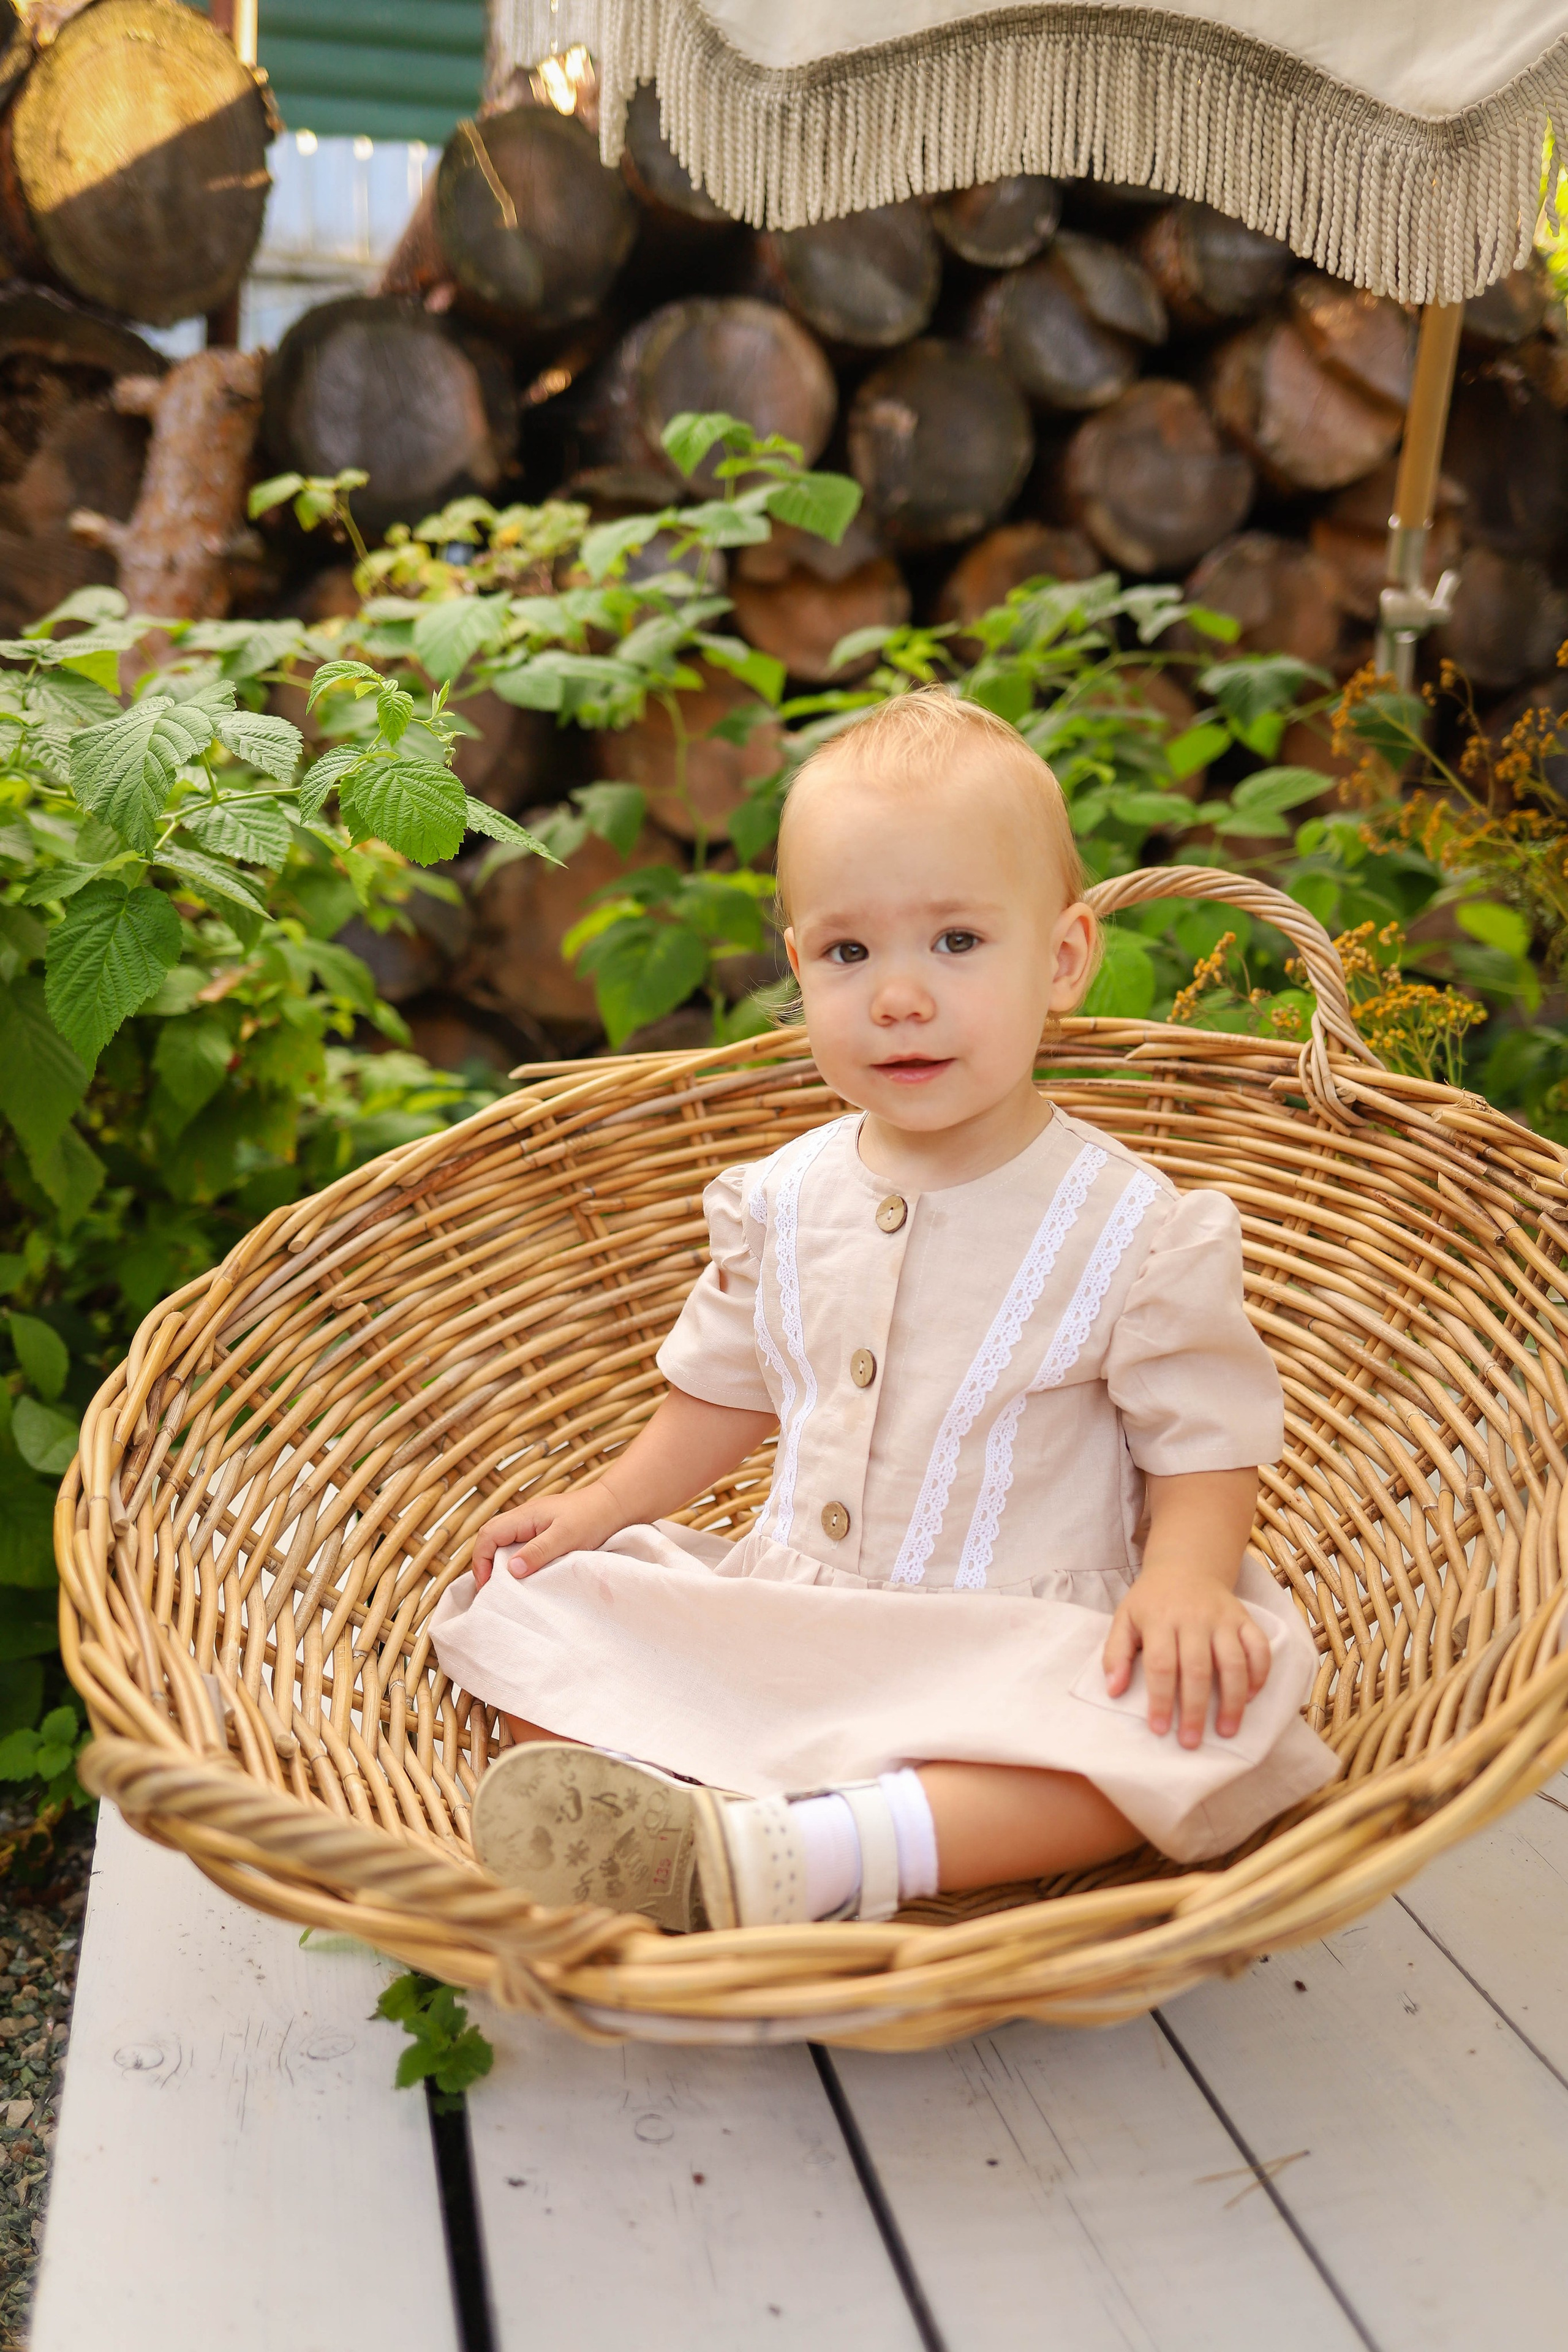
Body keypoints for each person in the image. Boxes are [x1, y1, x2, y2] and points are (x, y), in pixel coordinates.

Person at [430, 688, 1336, 1931]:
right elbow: (717, 1397)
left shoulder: (1131, 1226)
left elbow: (1205, 1440)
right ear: (798, 967)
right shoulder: (782, 1198)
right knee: (526, 1607)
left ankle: (811, 1853)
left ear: (1062, 957)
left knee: (1203, 1716)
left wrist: (1180, 1583)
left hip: (1014, 1645)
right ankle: (677, 1823)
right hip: (795, 1618)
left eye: (956, 943)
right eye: (849, 955)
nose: (898, 997)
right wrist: (594, 1511)